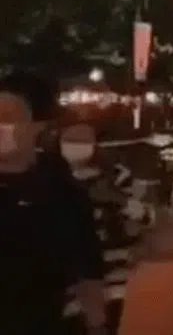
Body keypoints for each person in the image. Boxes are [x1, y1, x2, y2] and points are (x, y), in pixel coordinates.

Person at [0, 72, 106, 335]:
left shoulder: (64, 192)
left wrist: (97, 325)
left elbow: (88, 270)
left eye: (8, 118)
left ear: (36, 126)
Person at [59, 123, 150, 335]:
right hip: (70, 278)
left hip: (113, 275)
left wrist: (117, 200)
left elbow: (147, 215)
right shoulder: (53, 178)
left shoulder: (116, 175)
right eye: (71, 143)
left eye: (81, 143)